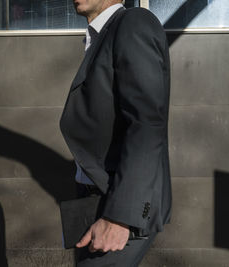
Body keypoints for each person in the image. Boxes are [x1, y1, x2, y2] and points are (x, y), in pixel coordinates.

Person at [59, 0, 172, 266]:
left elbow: (146, 123)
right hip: (96, 198)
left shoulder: (133, 23)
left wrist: (121, 217)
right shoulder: (102, 36)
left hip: (120, 205)